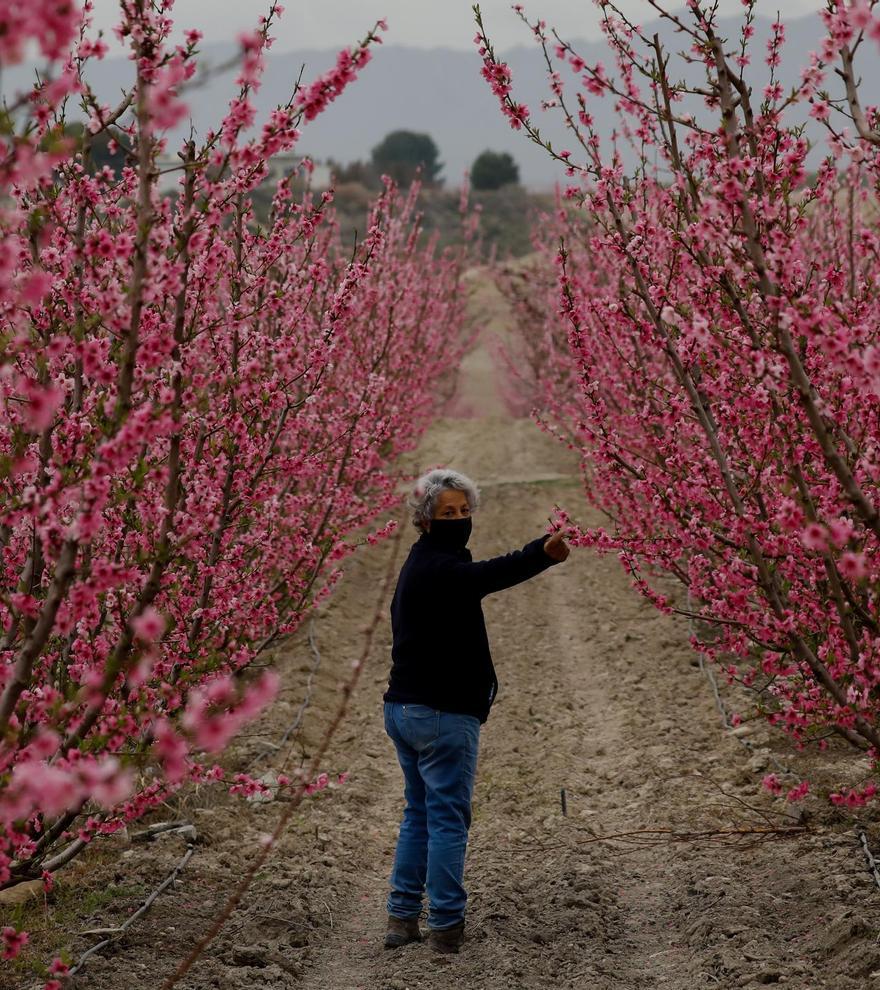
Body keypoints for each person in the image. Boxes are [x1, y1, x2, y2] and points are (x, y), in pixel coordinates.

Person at [382, 468, 570, 954]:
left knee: (419, 814)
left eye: (465, 511)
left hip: (405, 709)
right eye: (447, 513)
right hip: (442, 714)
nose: (460, 519)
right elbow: (485, 575)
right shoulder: (439, 569)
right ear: (424, 520)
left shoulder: (420, 563)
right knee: (446, 820)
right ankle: (446, 923)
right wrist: (540, 553)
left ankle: (401, 918)